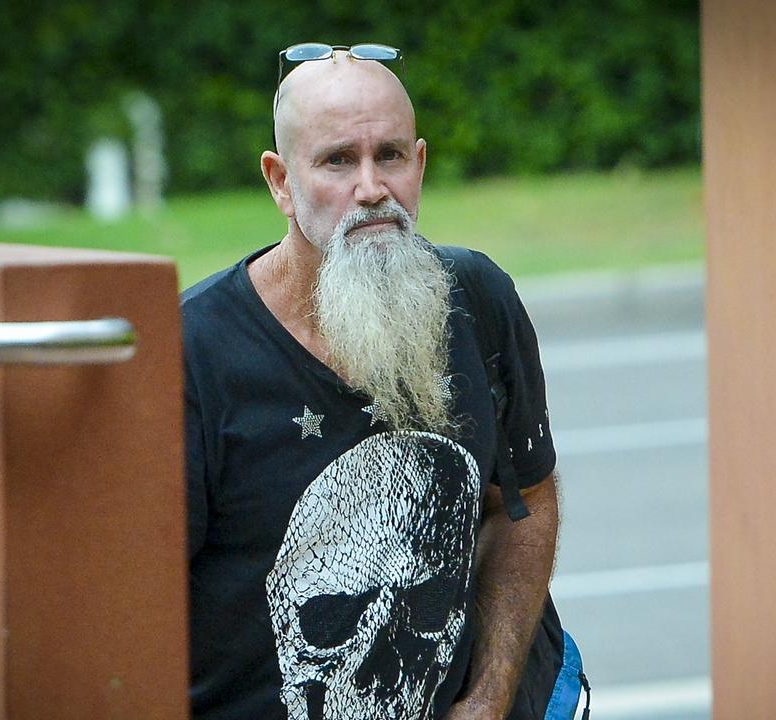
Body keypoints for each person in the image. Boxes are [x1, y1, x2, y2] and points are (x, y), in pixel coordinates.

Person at [181, 45, 559, 720]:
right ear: (279, 180)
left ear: (419, 163)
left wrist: (491, 696)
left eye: (388, 155)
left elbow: (521, 502)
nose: (370, 188)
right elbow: (129, 605)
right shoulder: (195, 353)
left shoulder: (476, 299)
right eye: (336, 160)